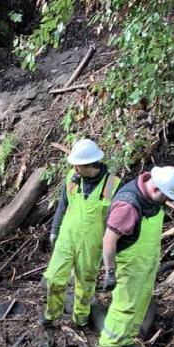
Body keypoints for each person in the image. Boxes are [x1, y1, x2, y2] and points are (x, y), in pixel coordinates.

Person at [98, 164, 174, 347]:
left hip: (147, 261)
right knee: (126, 303)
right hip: (131, 262)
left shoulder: (152, 195)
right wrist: (110, 271)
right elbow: (109, 240)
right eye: (165, 197)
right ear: (156, 189)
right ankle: (110, 343)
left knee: (142, 299)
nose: (167, 202)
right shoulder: (128, 206)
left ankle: (126, 337)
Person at [42, 138, 119, 328]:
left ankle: (81, 317)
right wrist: (54, 230)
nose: (74, 168)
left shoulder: (112, 184)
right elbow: (63, 204)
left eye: (78, 165)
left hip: (91, 243)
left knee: (85, 282)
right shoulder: (72, 177)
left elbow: (116, 222)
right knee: (54, 277)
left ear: (89, 164)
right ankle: (52, 315)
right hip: (67, 237)